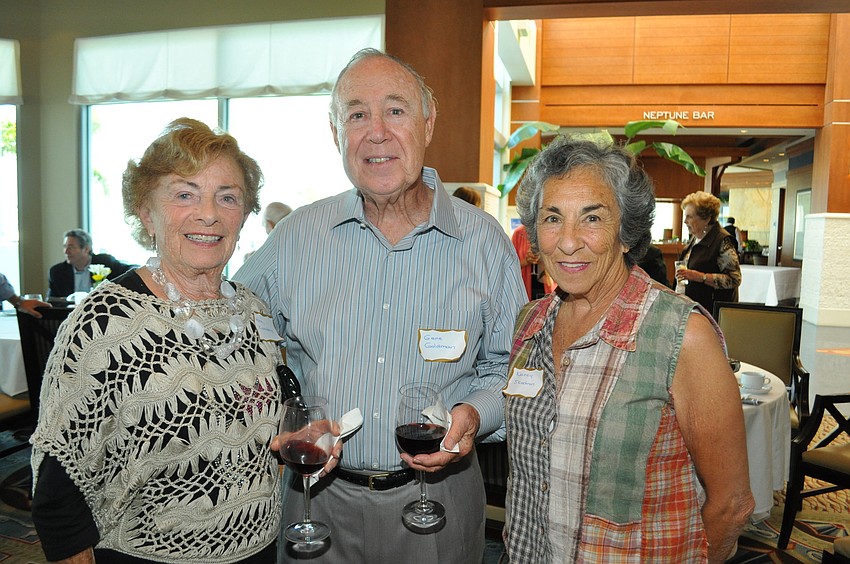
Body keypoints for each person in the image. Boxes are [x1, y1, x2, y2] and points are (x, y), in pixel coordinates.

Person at [235, 48, 525, 563]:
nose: (376, 131)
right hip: (316, 504)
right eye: (356, 114)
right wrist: (283, 414)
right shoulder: (296, 237)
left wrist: (475, 414)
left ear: (428, 123)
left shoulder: (484, 241)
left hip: (440, 505)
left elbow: (510, 367)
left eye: (395, 110)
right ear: (335, 134)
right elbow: (231, 334)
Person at [30, 118, 319, 563]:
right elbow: (58, 483)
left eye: (227, 197)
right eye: (185, 194)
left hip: (260, 551)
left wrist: (299, 435)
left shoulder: (254, 311)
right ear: (147, 213)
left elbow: (253, 428)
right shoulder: (107, 320)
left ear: (243, 216)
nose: (209, 213)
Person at [503, 137, 754, 563]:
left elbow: (731, 505)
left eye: (592, 218)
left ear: (626, 233)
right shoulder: (530, 321)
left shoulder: (681, 334)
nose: (567, 241)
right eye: (552, 218)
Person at [677, 192, 742, 314]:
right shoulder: (695, 238)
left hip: (712, 313)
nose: (685, 221)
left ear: (706, 219)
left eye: (689, 217)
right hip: (694, 309)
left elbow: (734, 279)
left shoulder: (723, 241)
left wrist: (701, 277)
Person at [47, 228, 133, 299]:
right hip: (68, 315)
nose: (66, 251)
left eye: (71, 247)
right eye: (65, 247)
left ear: (86, 249)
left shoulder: (105, 262)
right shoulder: (57, 272)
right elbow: (52, 301)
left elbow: (131, 269)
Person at [512, 224, 557, 300]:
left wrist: (543, 257)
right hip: (525, 287)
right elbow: (510, 267)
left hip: (549, 286)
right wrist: (526, 261)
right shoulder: (518, 233)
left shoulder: (552, 232)